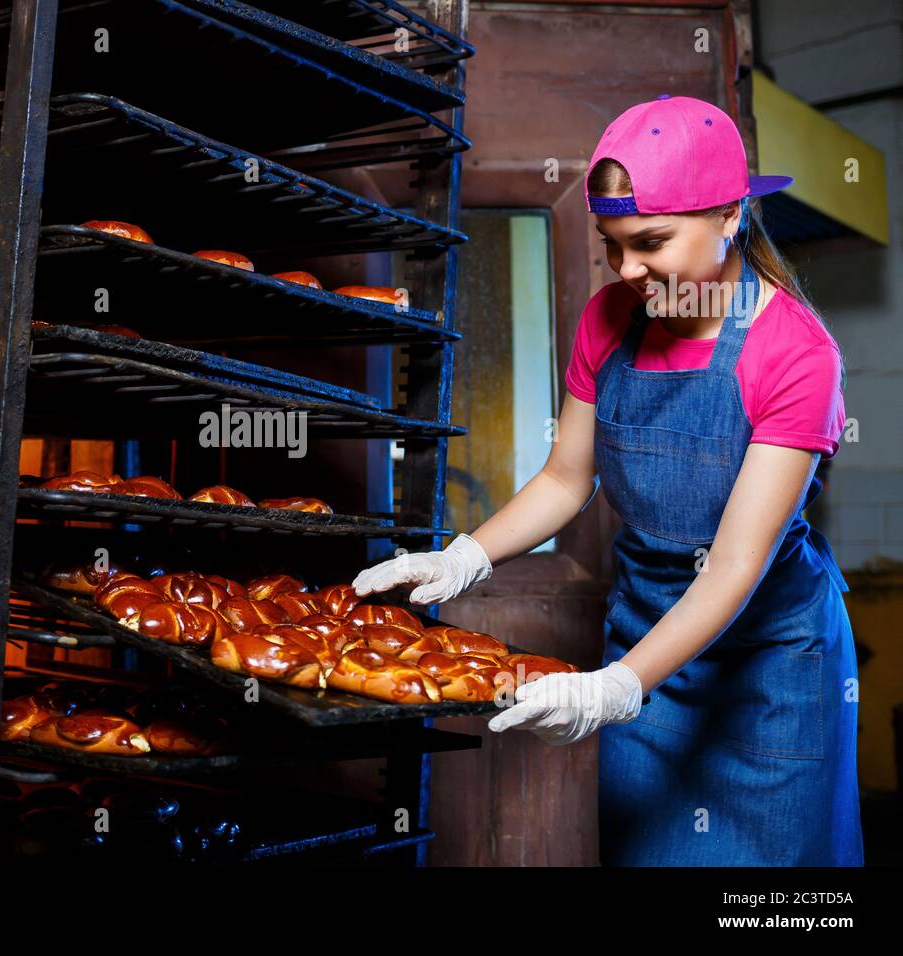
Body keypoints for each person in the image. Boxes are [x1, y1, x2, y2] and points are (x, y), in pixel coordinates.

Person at [352, 94, 863, 866]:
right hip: (645, 644)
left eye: (651, 242)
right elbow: (565, 479)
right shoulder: (609, 320)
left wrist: (617, 686)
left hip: (766, 676)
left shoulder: (795, 355)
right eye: (612, 244)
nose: (627, 270)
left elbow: (733, 565)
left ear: (729, 215)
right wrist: (464, 558)